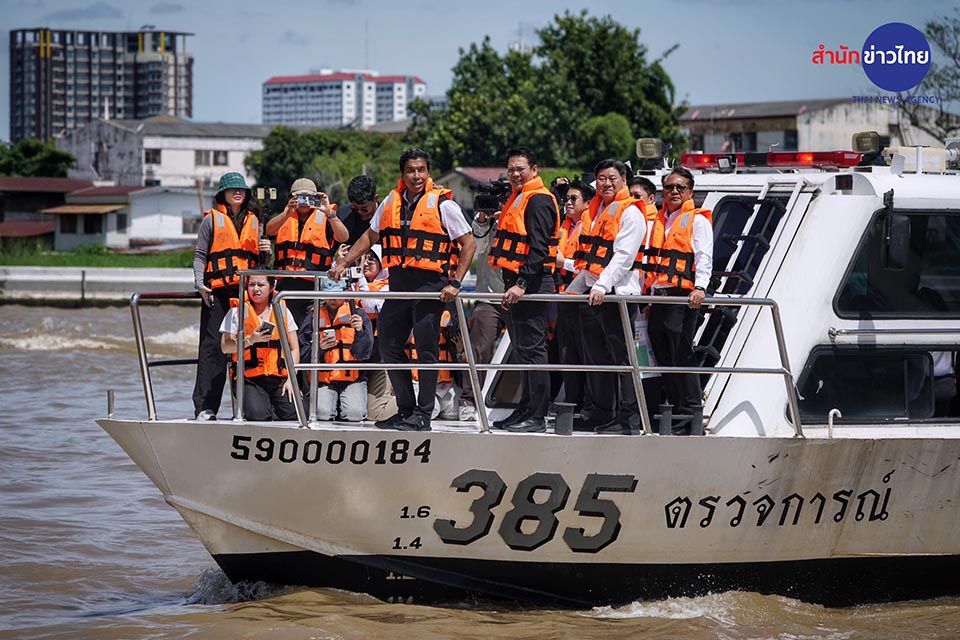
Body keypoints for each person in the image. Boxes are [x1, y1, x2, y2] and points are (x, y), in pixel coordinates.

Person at [329, 149, 476, 432]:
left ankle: (423, 413)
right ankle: (406, 409)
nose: (416, 176)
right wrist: (344, 262)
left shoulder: (443, 205)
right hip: (398, 286)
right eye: (411, 170)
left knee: (426, 351)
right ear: (402, 174)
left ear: (428, 172)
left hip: (429, 288)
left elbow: (468, 244)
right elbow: (370, 236)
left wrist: (456, 282)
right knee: (389, 344)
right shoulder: (390, 202)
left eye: (421, 170)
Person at [568, 159, 646, 435]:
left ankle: (629, 421)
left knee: (623, 358)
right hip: (594, 293)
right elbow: (591, 259)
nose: (606, 183)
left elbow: (623, 257)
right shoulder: (596, 210)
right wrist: (578, 288)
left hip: (617, 295)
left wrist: (601, 286)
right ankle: (601, 413)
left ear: (624, 180)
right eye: (601, 178)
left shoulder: (631, 213)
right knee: (596, 356)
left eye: (612, 178)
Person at [488, 146, 560, 433]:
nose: (515, 174)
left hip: (531, 284)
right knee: (522, 349)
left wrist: (521, 284)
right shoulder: (518, 197)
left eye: (521, 169)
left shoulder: (539, 200)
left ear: (534, 170)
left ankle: (537, 415)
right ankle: (526, 408)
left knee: (533, 350)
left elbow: (539, 248)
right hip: (517, 285)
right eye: (511, 169)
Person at [191, 172, 271, 421]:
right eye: (232, 189)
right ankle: (205, 408)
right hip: (218, 293)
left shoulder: (255, 221)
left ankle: (250, 406)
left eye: (241, 190)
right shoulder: (211, 221)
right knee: (212, 348)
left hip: (246, 292)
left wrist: (267, 252)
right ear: (222, 194)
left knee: (249, 343)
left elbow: (260, 263)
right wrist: (200, 284)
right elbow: (200, 255)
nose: (237, 193)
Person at [646, 167, 714, 435]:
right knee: (663, 354)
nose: (674, 191)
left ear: (690, 192)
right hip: (659, 295)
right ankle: (675, 409)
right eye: (669, 187)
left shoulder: (697, 220)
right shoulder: (660, 220)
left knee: (681, 352)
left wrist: (700, 287)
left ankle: (691, 412)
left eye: (680, 188)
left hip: (682, 295)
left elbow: (704, 256)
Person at [266, 178, 349, 326]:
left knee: (309, 331)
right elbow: (269, 231)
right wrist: (287, 213)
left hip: (314, 285)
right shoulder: (286, 215)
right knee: (286, 329)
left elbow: (344, 237)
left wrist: (329, 212)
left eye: (309, 197)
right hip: (286, 285)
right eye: (299, 197)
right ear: (291, 198)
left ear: (316, 198)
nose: (304, 201)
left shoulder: (325, 217)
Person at [219, 274, 300, 421]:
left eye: (261, 285)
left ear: (271, 287)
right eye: (251, 285)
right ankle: (264, 407)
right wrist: (250, 340)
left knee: (298, 412)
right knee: (257, 414)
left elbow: (294, 348)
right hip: (249, 378)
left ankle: (274, 407)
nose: (255, 289)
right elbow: (225, 347)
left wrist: (291, 379)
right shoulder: (236, 312)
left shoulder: (283, 311)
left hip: (278, 377)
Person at [459, 185, 508, 422]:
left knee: (525, 348)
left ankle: (525, 402)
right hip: (489, 293)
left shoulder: (525, 212)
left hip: (520, 293)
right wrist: (482, 219)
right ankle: (469, 399)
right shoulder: (486, 221)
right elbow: (477, 248)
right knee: (480, 345)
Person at [299, 278, 373, 422]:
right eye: (329, 294)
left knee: (355, 414)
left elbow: (364, 354)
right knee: (322, 414)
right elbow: (303, 354)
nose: (333, 298)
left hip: (353, 378)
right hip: (323, 380)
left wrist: (360, 331)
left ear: (345, 294)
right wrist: (319, 348)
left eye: (337, 294)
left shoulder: (358, 314)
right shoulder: (312, 316)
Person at [554, 178, 595, 418]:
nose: (568, 203)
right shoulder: (565, 226)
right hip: (564, 297)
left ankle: (587, 404)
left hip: (583, 297)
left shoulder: (588, 227)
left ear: (587, 204)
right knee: (567, 352)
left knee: (584, 352)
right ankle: (572, 403)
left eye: (573, 199)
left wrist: (563, 262)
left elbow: (592, 265)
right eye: (566, 198)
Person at [351, 245, 398, 421]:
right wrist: (341, 261)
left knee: (374, 413)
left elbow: (370, 305)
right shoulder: (353, 283)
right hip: (356, 352)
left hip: (379, 352)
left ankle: (413, 402)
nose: (366, 262)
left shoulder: (389, 287)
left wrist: (360, 277)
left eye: (372, 258)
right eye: (363, 258)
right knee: (354, 409)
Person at [336, 175, 380, 247]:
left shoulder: (386, 216)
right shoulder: (343, 214)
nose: (360, 212)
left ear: (376, 198)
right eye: (355, 208)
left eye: (364, 208)